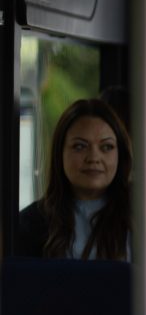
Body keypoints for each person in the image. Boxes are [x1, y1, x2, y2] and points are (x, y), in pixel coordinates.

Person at [16, 98, 132, 260]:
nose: (93, 158)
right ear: (60, 153)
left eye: (106, 147)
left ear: (120, 155)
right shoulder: (29, 224)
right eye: (80, 146)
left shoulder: (141, 219)